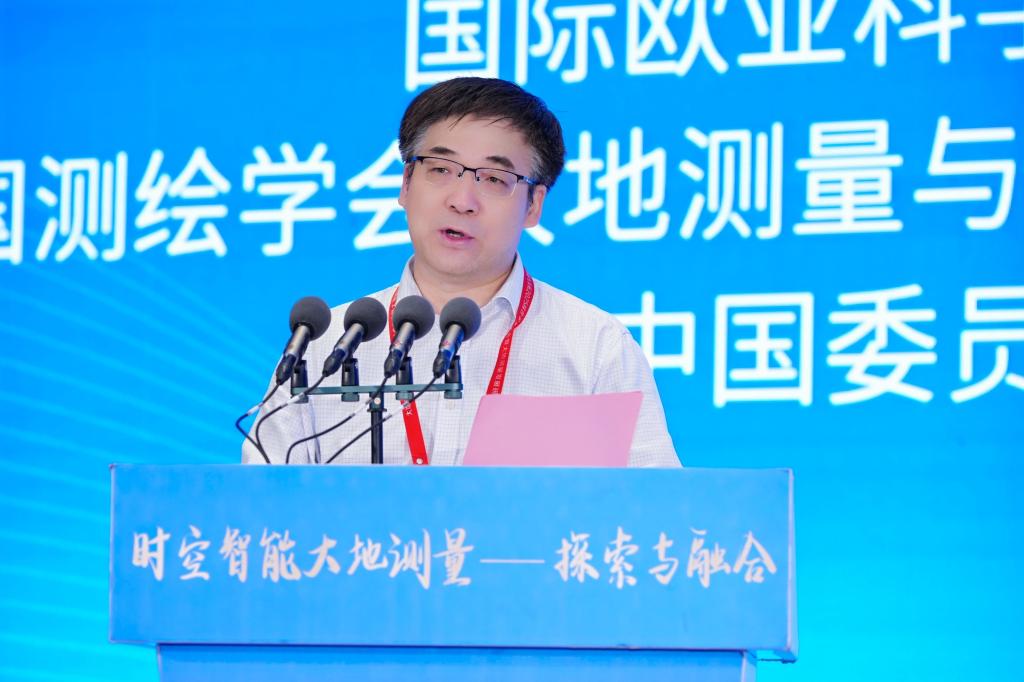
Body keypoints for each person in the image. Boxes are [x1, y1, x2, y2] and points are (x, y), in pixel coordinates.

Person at [243, 77, 679, 468]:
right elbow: (261, 509)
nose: (462, 200)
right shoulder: (329, 345)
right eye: (440, 169)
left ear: (534, 205)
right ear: (405, 183)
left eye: (494, 179)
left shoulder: (595, 347)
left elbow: (654, 510)